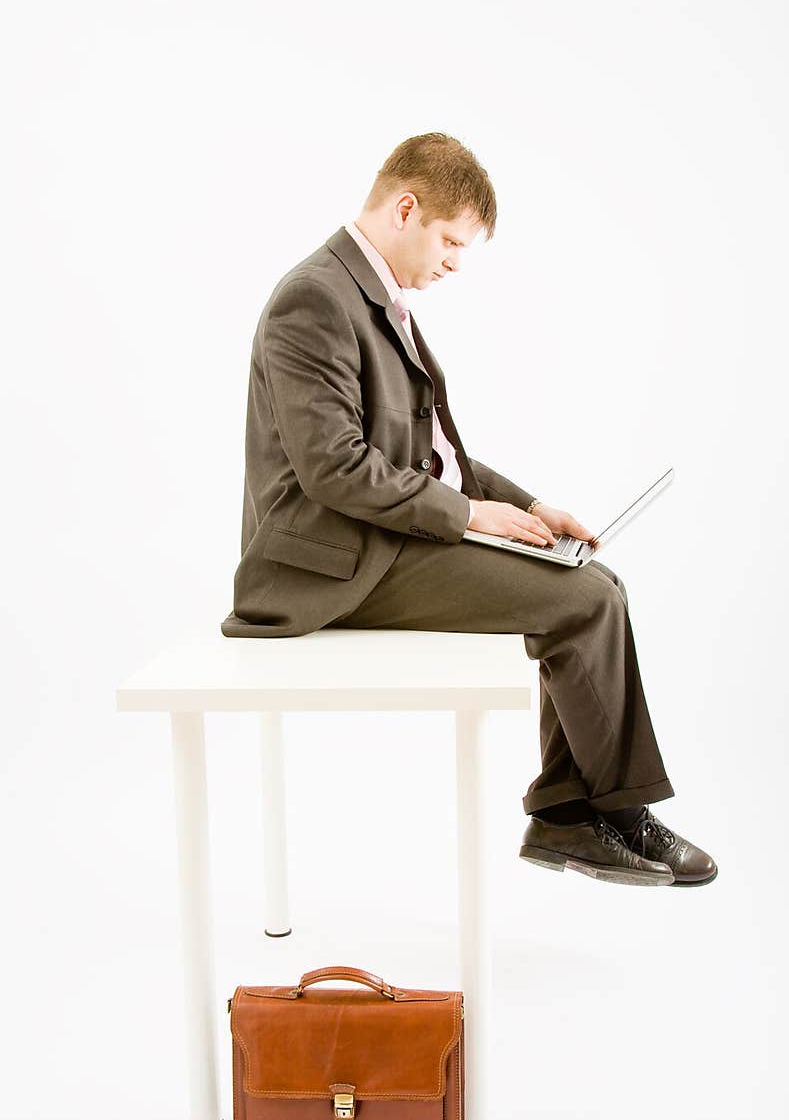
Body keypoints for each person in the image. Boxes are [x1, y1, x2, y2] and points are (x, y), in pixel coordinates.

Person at [220, 132, 716, 888]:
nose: (453, 262)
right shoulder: (314, 299)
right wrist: (472, 518)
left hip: (374, 540)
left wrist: (528, 507)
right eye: (450, 241)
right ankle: (591, 816)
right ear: (405, 208)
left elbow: (428, 459)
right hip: (323, 566)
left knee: (594, 583)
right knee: (582, 601)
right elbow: (334, 469)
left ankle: (573, 812)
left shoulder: (375, 299)